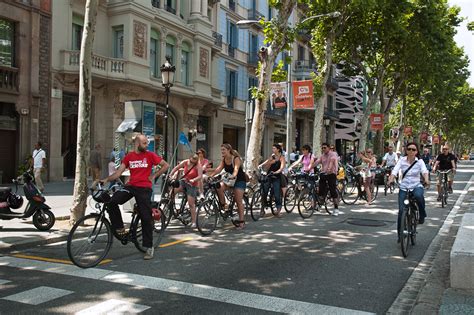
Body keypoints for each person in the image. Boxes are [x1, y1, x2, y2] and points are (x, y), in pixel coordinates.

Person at [100, 134, 169, 260]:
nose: (146, 145)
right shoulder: (129, 157)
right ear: (137, 143)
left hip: (144, 188)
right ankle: (119, 228)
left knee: (145, 216)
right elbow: (118, 173)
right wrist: (106, 179)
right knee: (111, 201)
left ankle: (149, 247)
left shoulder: (150, 155)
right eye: (144, 143)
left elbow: (166, 165)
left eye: (147, 143)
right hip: (131, 186)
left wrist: (154, 175)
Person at [388, 142, 429, 243]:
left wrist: (426, 179)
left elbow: (424, 171)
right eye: (409, 149)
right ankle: (400, 234)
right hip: (404, 187)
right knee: (401, 211)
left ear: (416, 152)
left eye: (413, 150)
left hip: (416, 186)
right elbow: (395, 170)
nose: (411, 151)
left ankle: (422, 215)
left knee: (419, 196)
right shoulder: (402, 160)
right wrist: (391, 179)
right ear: (406, 150)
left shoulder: (419, 161)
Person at [209, 143, 246, 229]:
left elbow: (236, 169)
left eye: (223, 150)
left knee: (238, 200)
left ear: (229, 150)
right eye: (221, 150)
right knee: (219, 187)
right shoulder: (224, 159)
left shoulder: (236, 158)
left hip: (239, 180)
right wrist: (211, 176)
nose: (222, 151)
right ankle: (224, 205)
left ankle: (241, 221)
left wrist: (233, 175)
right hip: (229, 180)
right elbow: (218, 169)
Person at [169, 153, 203, 228]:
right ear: (190, 157)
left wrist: (193, 180)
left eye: (195, 161)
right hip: (184, 181)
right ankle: (171, 210)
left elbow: (200, 176)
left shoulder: (198, 165)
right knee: (172, 192)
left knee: (191, 203)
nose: (192, 162)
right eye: (192, 160)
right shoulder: (185, 162)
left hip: (192, 184)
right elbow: (176, 168)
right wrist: (170, 175)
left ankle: (194, 222)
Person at [259, 144, 288, 216]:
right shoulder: (272, 156)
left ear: (278, 149)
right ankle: (262, 208)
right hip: (269, 175)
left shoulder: (282, 158)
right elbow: (267, 162)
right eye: (272, 148)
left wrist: (276, 172)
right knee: (264, 192)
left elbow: (281, 168)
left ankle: (278, 210)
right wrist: (261, 165)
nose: (273, 149)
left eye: (274, 148)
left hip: (277, 176)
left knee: (276, 193)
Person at [314, 143, 340, 215]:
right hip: (324, 174)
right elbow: (317, 162)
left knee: (332, 191)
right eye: (322, 148)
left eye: (325, 148)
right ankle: (320, 204)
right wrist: (309, 168)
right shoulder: (322, 156)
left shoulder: (333, 154)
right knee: (321, 190)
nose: (323, 149)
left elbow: (332, 162)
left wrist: (329, 169)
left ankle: (336, 208)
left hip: (331, 174)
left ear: (328, 148)